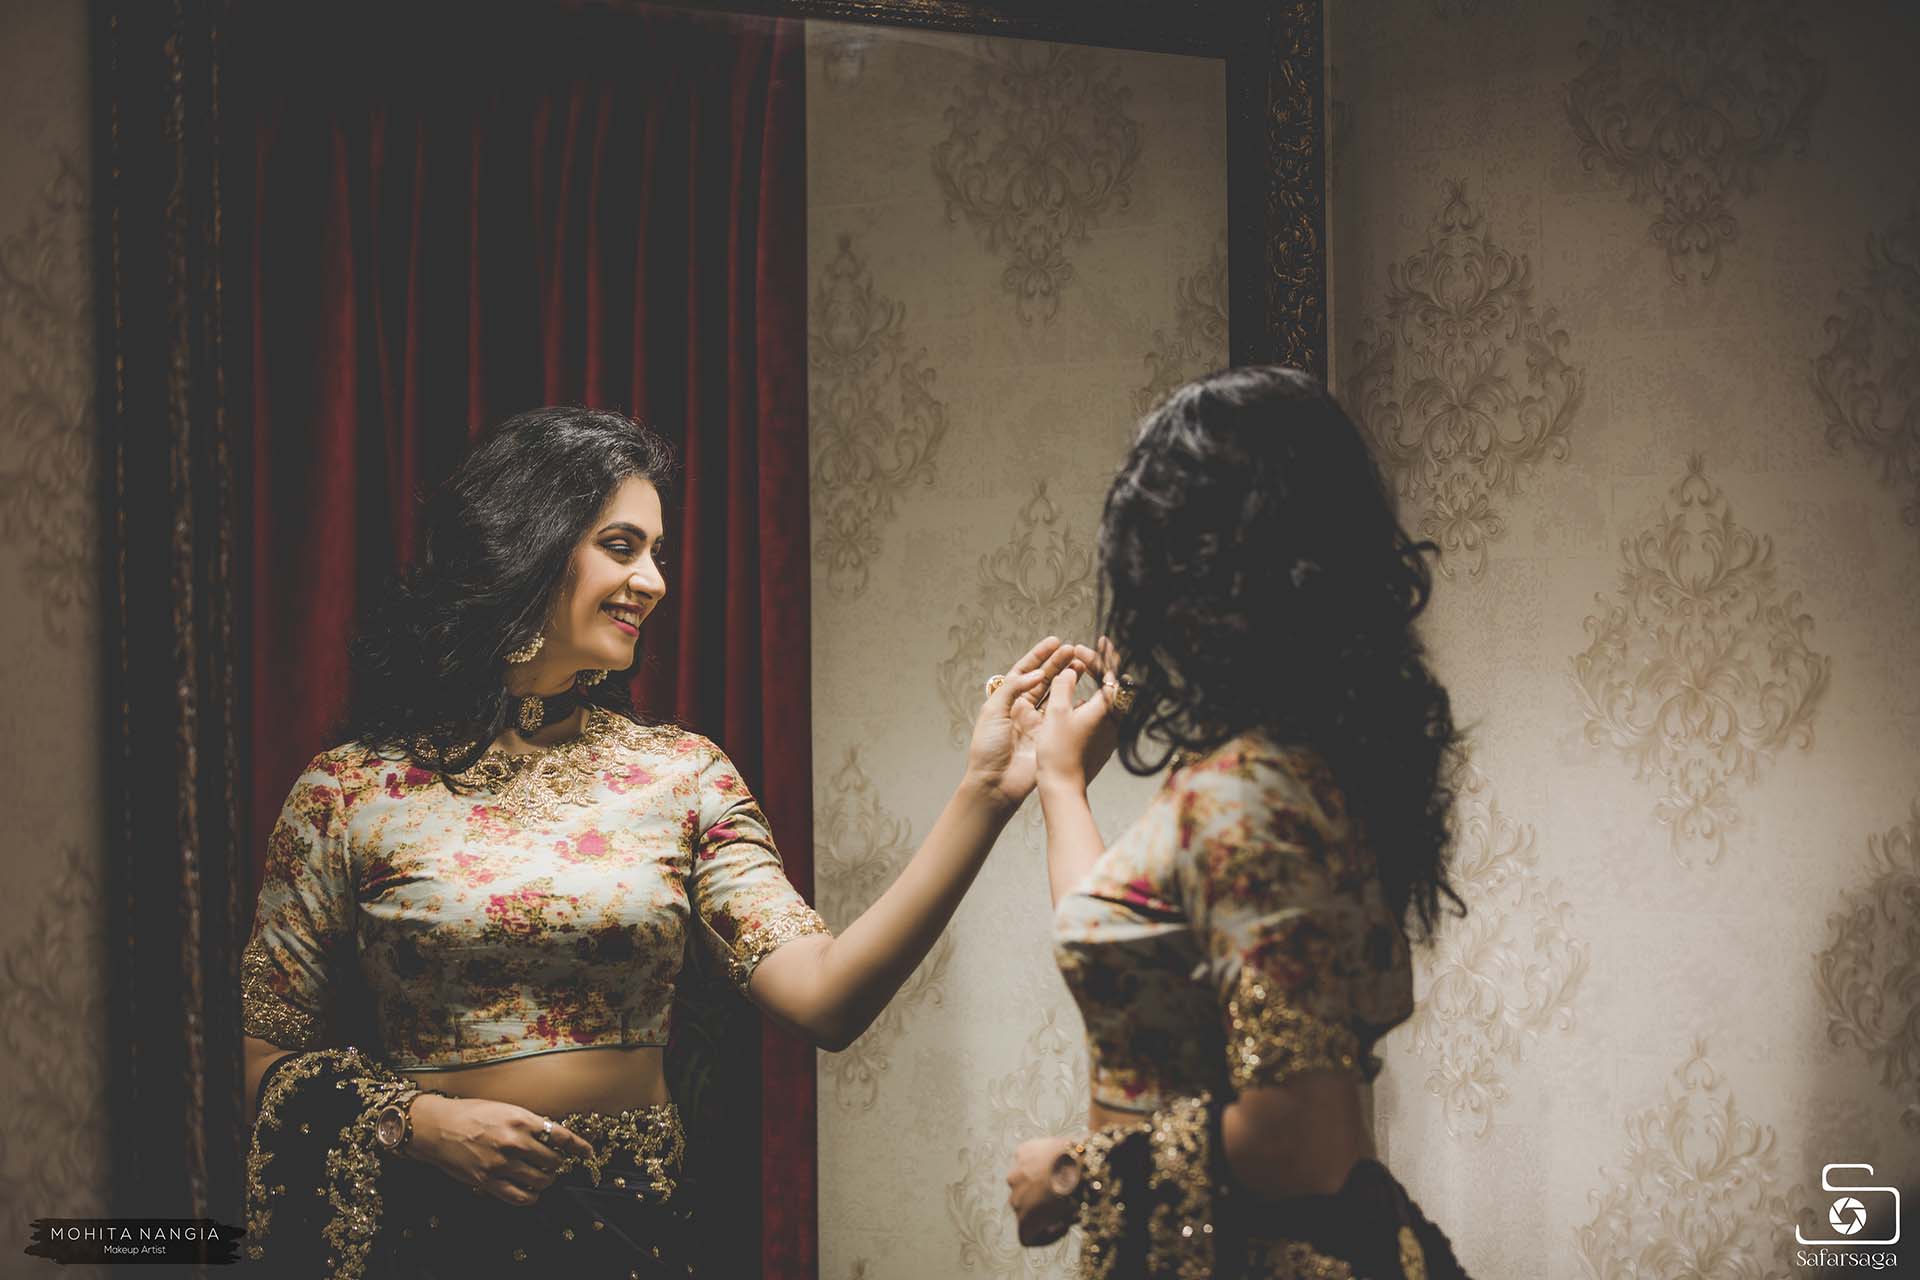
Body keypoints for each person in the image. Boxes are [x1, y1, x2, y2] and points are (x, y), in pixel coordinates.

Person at [240, 405, 1093, 1277]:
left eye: (657, 553)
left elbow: (828, 998)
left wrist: (985, 795)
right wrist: (422, 1125)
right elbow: (266, 1064)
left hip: (628, 1232)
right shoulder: (351, 791)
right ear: (528, 542)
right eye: (621, 547)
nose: (652, 581)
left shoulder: (681, 776)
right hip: (425, 1237)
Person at [1004, 366, 1472, 1278]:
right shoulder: (1286, 770)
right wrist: (1060, 781)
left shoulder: (1250, 794)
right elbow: (1129, 953)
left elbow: (1300, 1140)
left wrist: (1078, 1172)